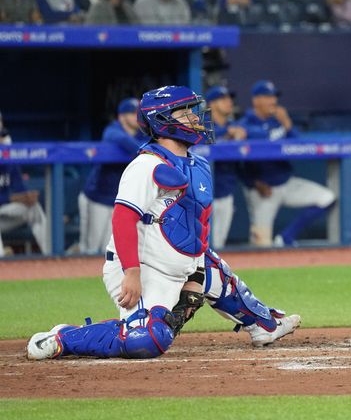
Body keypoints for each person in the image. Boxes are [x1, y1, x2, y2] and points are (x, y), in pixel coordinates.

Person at [27, 86, 301, 361]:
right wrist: (131, 273)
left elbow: (198, 226)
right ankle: (64, 337)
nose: (196, 118)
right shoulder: (146, 165)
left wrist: (196, 275)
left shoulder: (198, 164)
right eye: (186, 113)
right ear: (162, 121)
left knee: (214, 268)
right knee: (144, 341)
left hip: (183, 263)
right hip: (144, 270)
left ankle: (265, 324)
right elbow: (123, 218)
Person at [238, 80, 336, 248]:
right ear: (256, 100)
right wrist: (253, 182)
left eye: (274, 96)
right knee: (261, 244)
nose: (273, 101)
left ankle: (286, 237)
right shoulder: (244, 124)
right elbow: (236, 163)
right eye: (268, 97)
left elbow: (299, 145)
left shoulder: (278, 122)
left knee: (327, 198)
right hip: (262, 190)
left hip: (286, 183)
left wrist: (287, 124)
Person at [74, 99, 148, 255]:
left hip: (118, 200)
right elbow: (123, 140)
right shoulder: (112, 130)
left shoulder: (142, 135)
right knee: (90, 249)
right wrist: (144, 150)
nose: (137, 116)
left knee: (109, 248)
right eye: (132, 113)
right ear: (122, 117)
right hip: (96, 197)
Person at [0, 110, 49, 256]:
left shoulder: (9, 151)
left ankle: (52, 255)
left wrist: (26, 196)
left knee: (33, 208)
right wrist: (12, 198)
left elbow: (19, 187)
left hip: (4, 214)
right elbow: (12, 197)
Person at [206, 86, 246, 248]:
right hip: (203, 195)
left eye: (229, 98)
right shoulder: (202, 125)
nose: (229, 102)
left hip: (226, 193)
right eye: (223, 99)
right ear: (212, 104)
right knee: (201, 245)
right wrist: (226, 135)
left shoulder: (235, 125)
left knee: (219, 245)